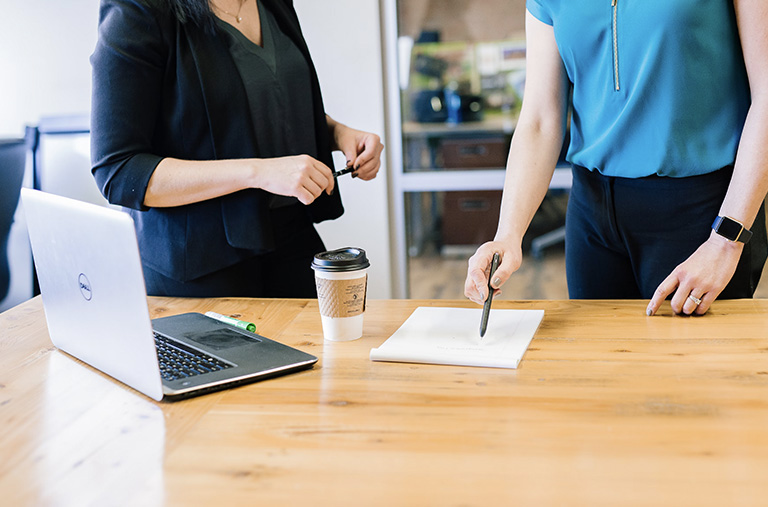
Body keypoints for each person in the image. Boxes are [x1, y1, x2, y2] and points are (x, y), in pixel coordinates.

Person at [465, 1, 768, 316]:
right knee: (599, 362)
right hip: (592, 216)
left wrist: (727, 240)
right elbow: (540, 119)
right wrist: (508, 235)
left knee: (693, 363)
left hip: (702, 213)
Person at [90, 0, 383, 298]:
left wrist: (337, 133)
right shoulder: (138, 10)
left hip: (291, 239)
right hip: (202, 265)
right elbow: (119, 170)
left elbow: (253, 105)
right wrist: (258, 172)